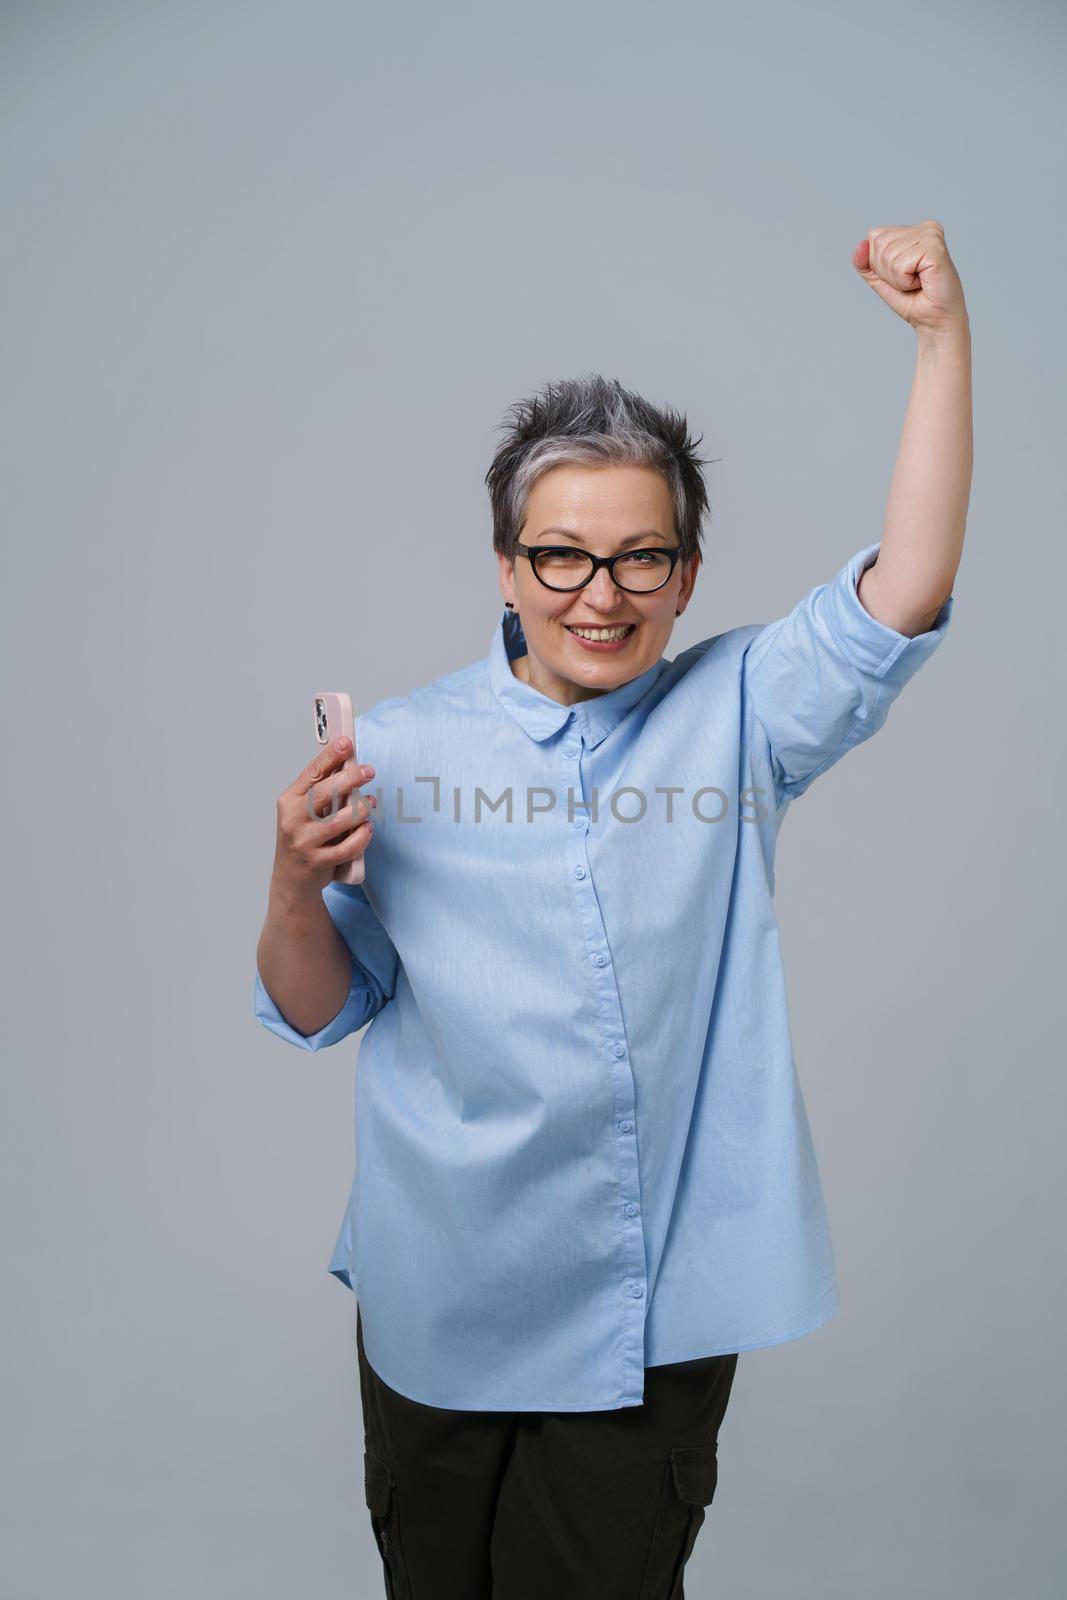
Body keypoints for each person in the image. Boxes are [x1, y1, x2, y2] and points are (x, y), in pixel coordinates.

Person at [254, 222, 971, 1598]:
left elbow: (909, 587)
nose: (602, 595)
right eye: (564, 558)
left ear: (687, 577)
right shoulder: (392, 753)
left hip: (650, 1306)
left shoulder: (741, 712)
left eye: (643, 559)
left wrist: (940, 338)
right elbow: (316, 1005)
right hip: (440, 1287)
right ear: (508, 567)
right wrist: (291, 879)